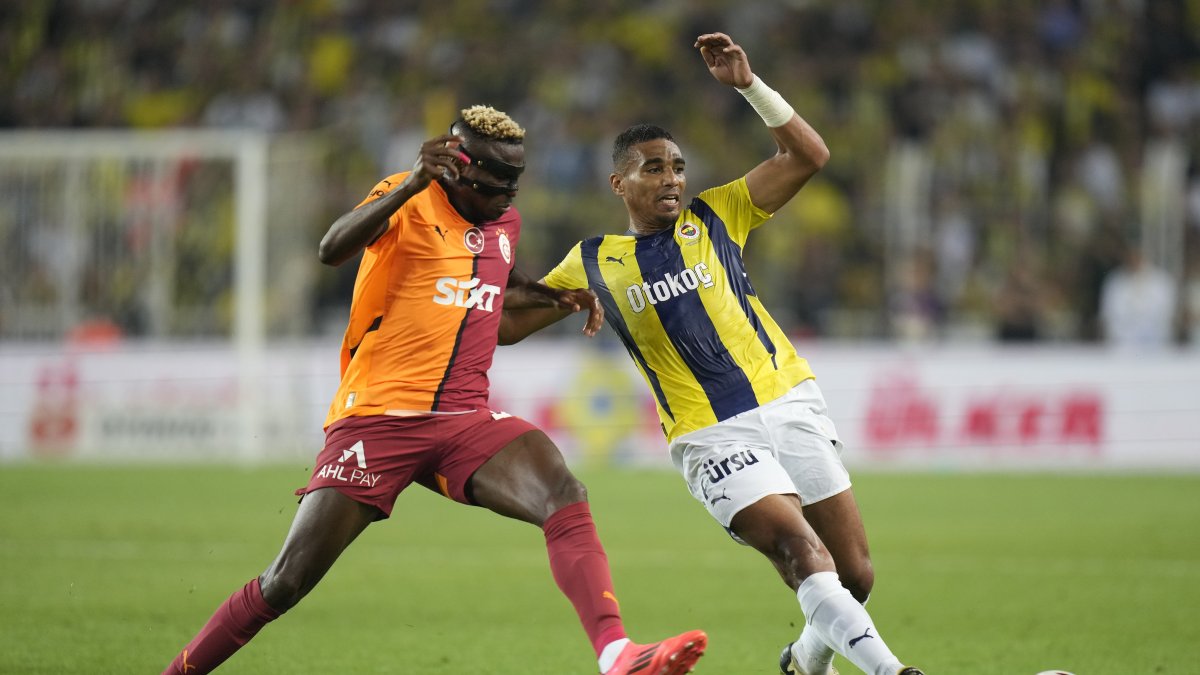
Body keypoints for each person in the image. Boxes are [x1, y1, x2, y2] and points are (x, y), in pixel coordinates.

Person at [162, 105, 707, 675]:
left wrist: (553, 297)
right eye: (496, 182)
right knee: (286, 581)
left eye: (515, 181)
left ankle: (618, 655)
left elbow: (495, 292)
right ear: (455, 169)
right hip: (378, 419)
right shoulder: (406, 196)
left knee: (563, 493)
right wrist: (415, 180)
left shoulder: (504, 224)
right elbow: (331, 247)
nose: (508, 195)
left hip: (464, 421)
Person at [498, 34, 924, 675]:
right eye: (654, 169)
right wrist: (492, 274)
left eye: (677, 167)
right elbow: (505, 326)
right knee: (797, 548)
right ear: (620, 183)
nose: (671, 180)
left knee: (854, 575)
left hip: (788, 399)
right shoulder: (592, 262)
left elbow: (810, 154)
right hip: (710, 434)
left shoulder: (719, 214)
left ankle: (804, 660)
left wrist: (750, 86)